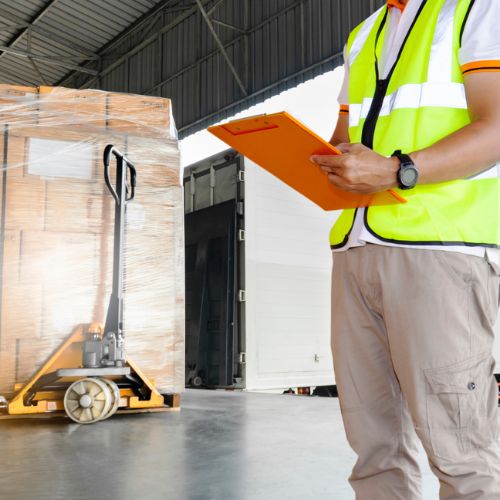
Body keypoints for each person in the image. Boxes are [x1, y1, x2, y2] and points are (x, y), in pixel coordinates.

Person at [310, 0, 500, 498]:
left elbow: (496, 127)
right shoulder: (364, 33)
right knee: (375, 448)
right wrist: (323, 161)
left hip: (441, 248)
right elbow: (346, 137)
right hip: (356, 247)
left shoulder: (477, 9)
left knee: (460, 449)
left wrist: (397, 171)